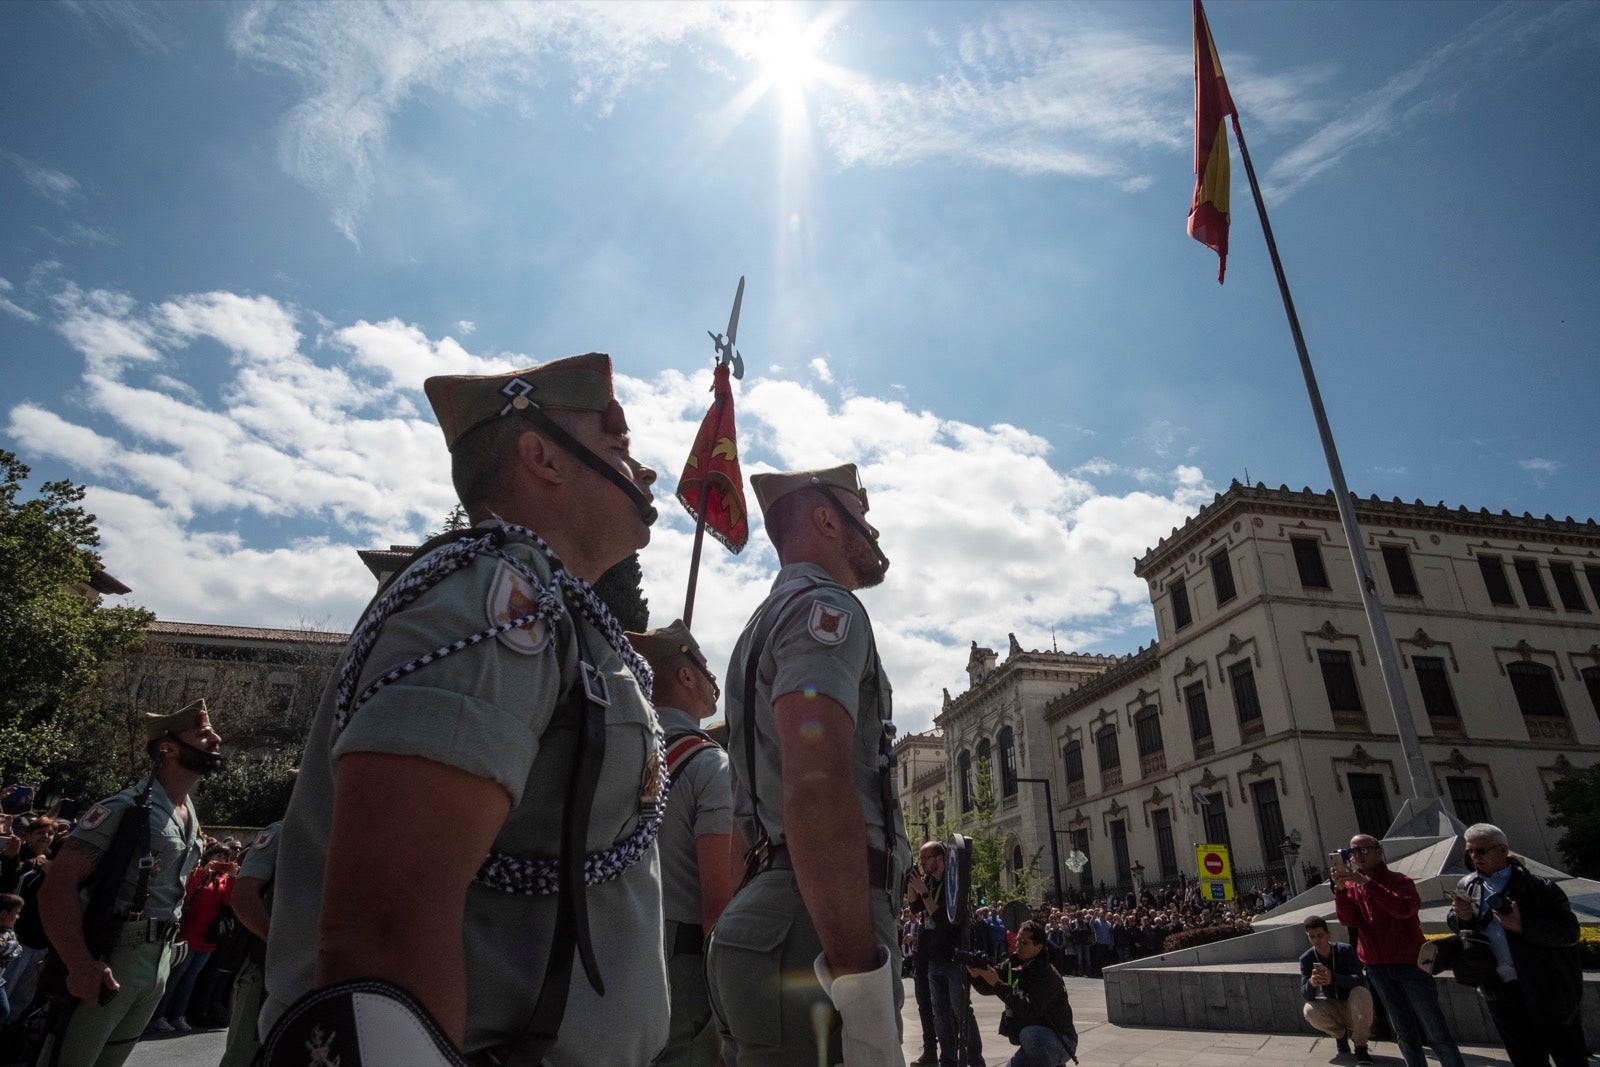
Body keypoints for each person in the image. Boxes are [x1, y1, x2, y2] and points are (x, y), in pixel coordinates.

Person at [261, 353, 668, 1065]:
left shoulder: (550, 607)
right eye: (618, 449)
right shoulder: (492, 597)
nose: (647, 473)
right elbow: (383, 930)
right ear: (542, 455)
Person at [705, 463, 912, 1067]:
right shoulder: (827, 609)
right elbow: (817, 781)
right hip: (815, 927)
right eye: (862, 519)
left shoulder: (758, 626)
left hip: (770, 913)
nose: (872, 535)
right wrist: (856, 973)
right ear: (827, 519)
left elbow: (747, 815)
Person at [35, 703, 219, 1067]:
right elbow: (57, 887)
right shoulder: (126, 808)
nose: (215, 738)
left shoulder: (187, 814)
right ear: (166, 748)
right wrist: (80, 964)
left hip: (157, 963)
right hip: (112, 956)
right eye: (201, 734)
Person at [625, 620, 736, 1067]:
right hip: (682, 961)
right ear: (686, 675)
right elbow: (718, 904)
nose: (712, 679)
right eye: (704, 667)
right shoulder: (709, 764)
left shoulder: (619, 748)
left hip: (609, 941)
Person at [1447, 823, 1585, 1067]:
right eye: (1469, 852)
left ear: (1501, 850)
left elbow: (1569, 932)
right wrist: (1462, 916)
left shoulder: (1541, 888)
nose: (1473, 857)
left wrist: (1523, 926)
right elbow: (1458, 923)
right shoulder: (1467, 885)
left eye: (1480, 851)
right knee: (1525, 1058)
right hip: (1500, 991)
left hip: (1547, 989)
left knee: (1569, 1056)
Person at [1332, 834, 1465, 1067]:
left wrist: (1367, 884)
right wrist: (1341, 891)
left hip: (1409, 963)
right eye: (1352, 852)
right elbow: (1348, 919)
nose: (1356, 856)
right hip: (1377, 966)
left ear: (1378, 852)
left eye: (1362, 850)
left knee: (1435, 1030)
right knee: (1403, 1031)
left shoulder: (1399, 881)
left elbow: (1404, 909)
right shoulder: (1355, 887)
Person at [907, 841, 983, 1067]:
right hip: (933, 957)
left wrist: (924, 891)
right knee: (939, 1013)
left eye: (925, 859)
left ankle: (974, 1057)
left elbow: (942, 919)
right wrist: (912, 883)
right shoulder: (928, 882)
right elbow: (914, 908)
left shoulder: (953, 884)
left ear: (939, 858)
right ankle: (947, 1058)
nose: (923, 863)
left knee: (961, 1010)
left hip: (952, 956)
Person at [148, 842, 236, 1032]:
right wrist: (204, 871)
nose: (221, 860)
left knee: (190, 978)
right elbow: (186, 894)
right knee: (175, 977)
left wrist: (232, 878)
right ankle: (158, 1016)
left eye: (225, 858)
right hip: (188, 933)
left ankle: (178, 1015)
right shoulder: (197, 873)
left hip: (208, 937)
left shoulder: (223, 880)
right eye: (218, 856)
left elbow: (229, 901)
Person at [966, 919, 1077, 1067]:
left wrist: (998, 984)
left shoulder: (1047, 974)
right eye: (1017, 940)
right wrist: (976, 973)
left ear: (1038, 948)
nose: (1018, 945)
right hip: (1036, 1039)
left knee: (1030, 1035)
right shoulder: (1013, 963)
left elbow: (1030, 1009)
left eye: (1024, 943)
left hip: (1061, 1040)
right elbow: (988, 986)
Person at [218, 820, 279, 1067]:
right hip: (264, 965)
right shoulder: (283, 832)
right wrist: (281, 946)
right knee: (245, 1055)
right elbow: (243, 897)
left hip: (304, 970)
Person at [1299, 915, 1373, 1064]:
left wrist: (1333, 978)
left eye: (1320, 935)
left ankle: (1360, 1046)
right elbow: (1306, 994)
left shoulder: (1344, 950)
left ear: (1328, 935)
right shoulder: (1306, 958)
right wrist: (1312, 984)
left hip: (1351, 1006)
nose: (1316, 940)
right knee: (1309, 1010)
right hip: (1332, 1004)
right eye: (1312, 937)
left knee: (1362, 992)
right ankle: (1340, 1035)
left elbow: (1359, 980)